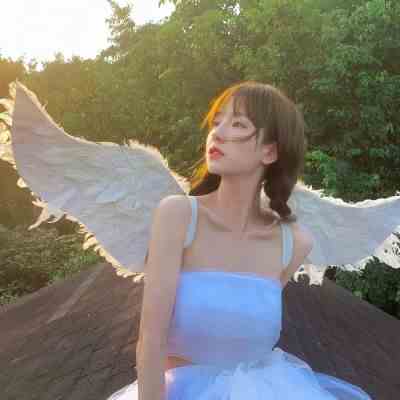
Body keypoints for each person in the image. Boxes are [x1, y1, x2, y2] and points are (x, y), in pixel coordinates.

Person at [106, 81, 373, 399]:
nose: (217, 133)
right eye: (217, 122)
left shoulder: (295, 243)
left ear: (270, 151)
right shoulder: (178, 215)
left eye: (238, 124)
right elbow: (150, 341)